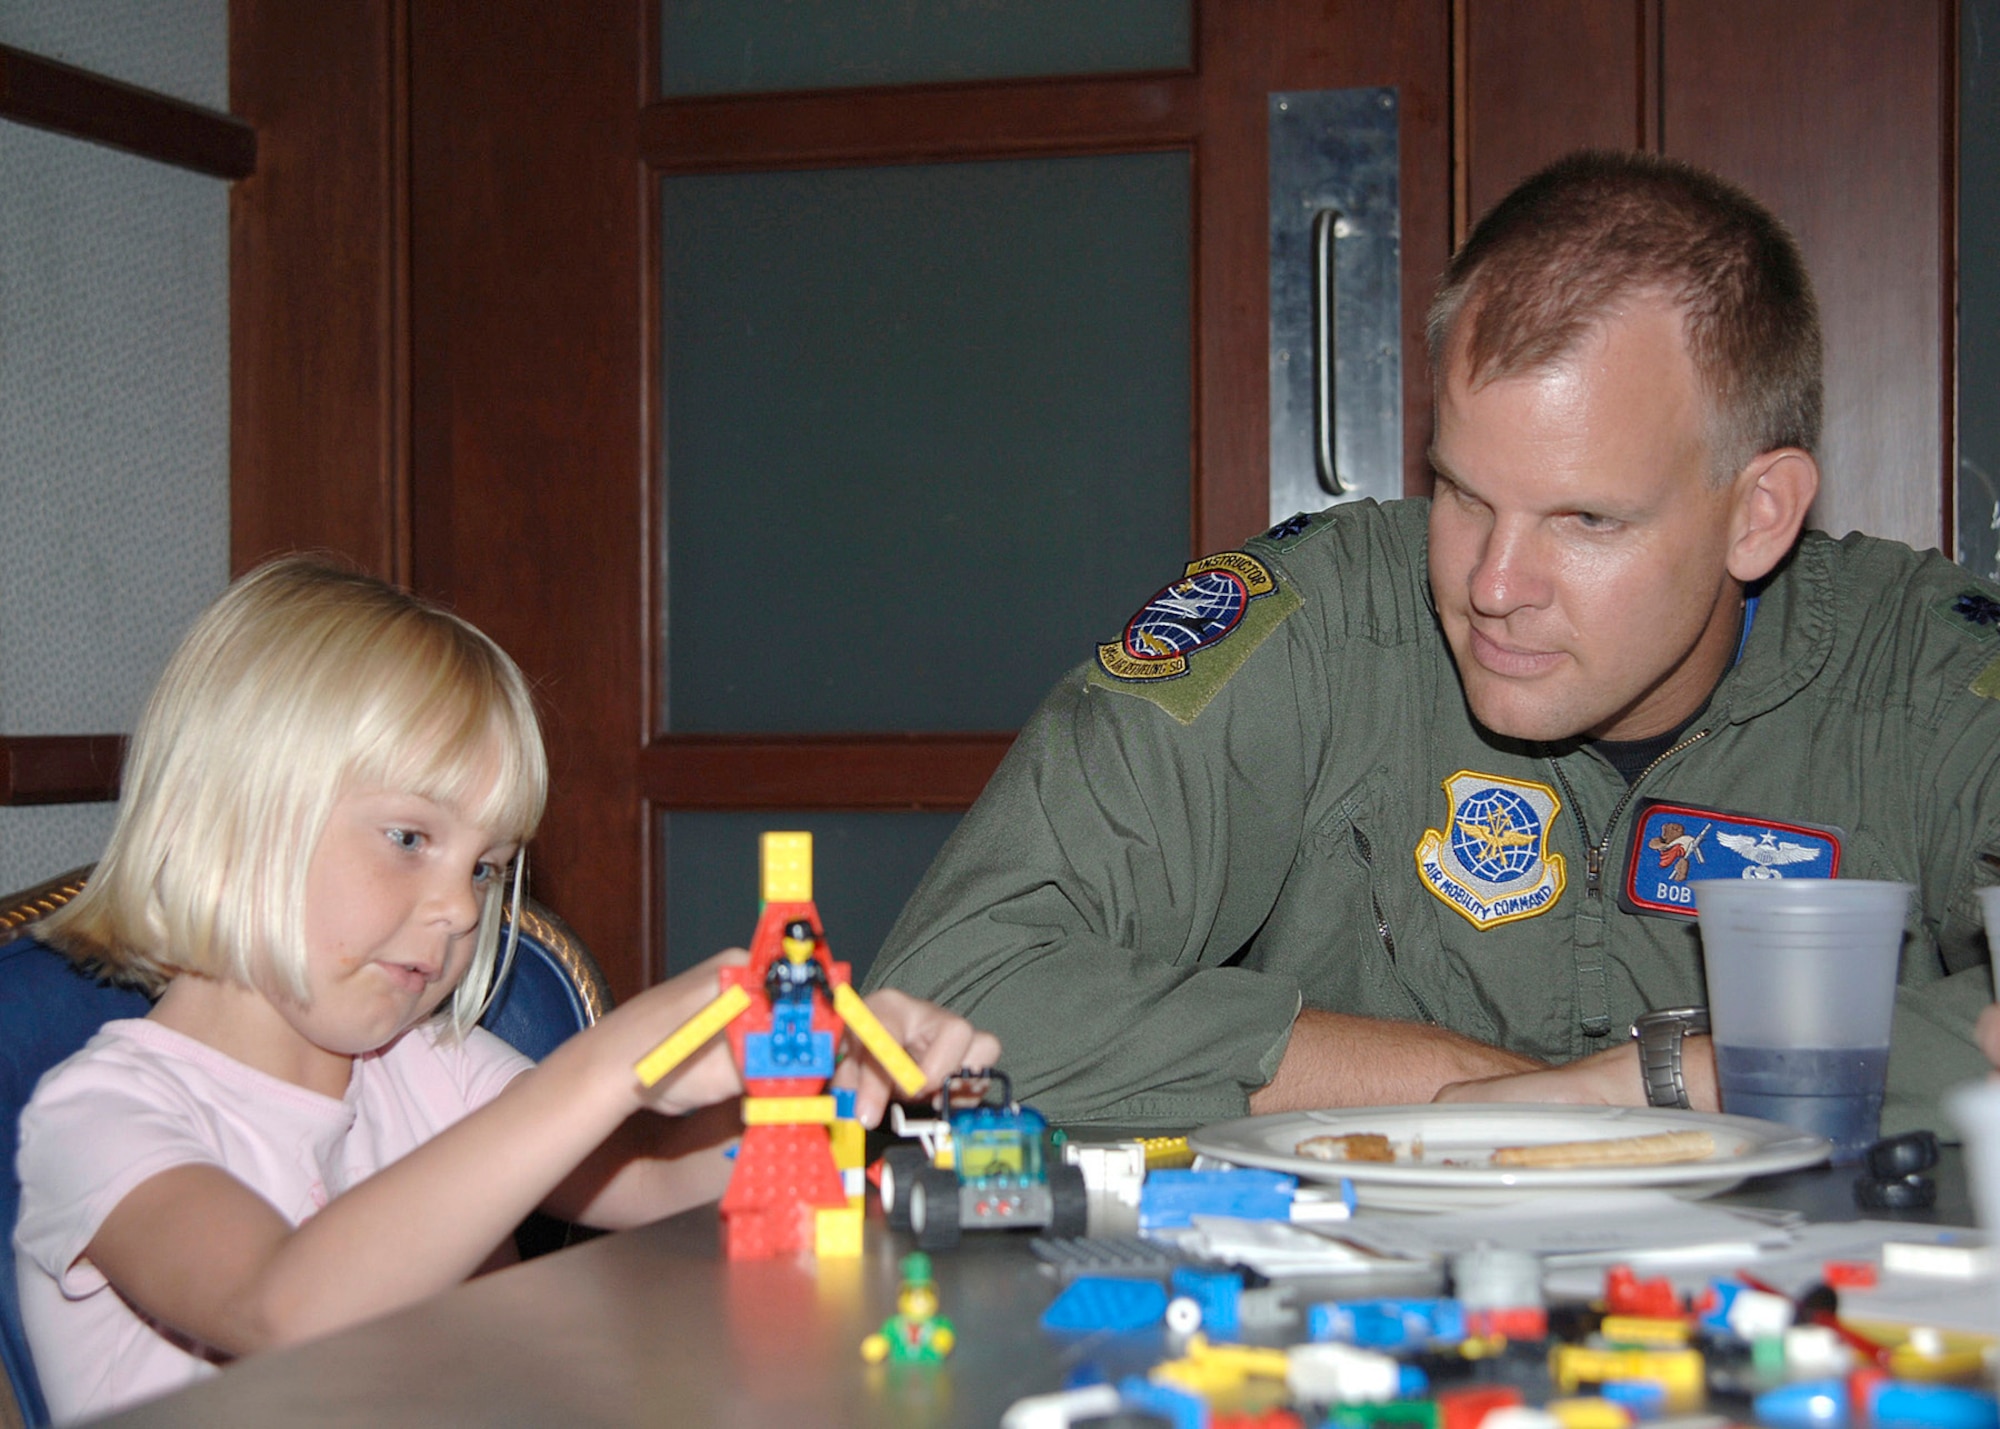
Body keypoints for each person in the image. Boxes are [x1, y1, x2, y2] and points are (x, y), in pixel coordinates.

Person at [864, 149, 1999, 1134]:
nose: (1492, 585)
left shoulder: (1926, 676)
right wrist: (1454, 1085)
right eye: (1460, 494)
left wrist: (1647, 1090)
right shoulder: (1316, 628)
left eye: (1585, 520)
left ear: (1757, 513)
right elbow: (943, 992)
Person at [14, 558, 997, 1425]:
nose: (457, 907)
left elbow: (655, 1181)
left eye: (487, 867)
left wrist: (823, 1082)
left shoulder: (427, 1067)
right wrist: (609, 1063)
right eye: (410, 838)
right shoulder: (99, 1119)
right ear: (230, 822)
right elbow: (284, 1306)